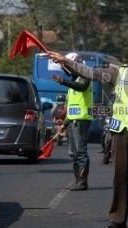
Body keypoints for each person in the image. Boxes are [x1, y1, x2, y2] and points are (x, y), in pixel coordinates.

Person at [48, 32, 128, 228]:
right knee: (120, 176)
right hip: (120, 133)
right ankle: (117, 220)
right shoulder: (118, 72)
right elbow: (90, 73)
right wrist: (66, 61)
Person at [52, 53, 93, 191]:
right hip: (73, 121)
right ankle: (77, 180)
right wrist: (65, 123)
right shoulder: (72, 85)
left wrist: (63, 81)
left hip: (81, 121)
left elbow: (81, 86)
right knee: (74, 153)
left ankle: (82, 182)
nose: (66, 68)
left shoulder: (85, 77)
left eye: (68, 65)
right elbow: (71, 108)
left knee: (81, 152)